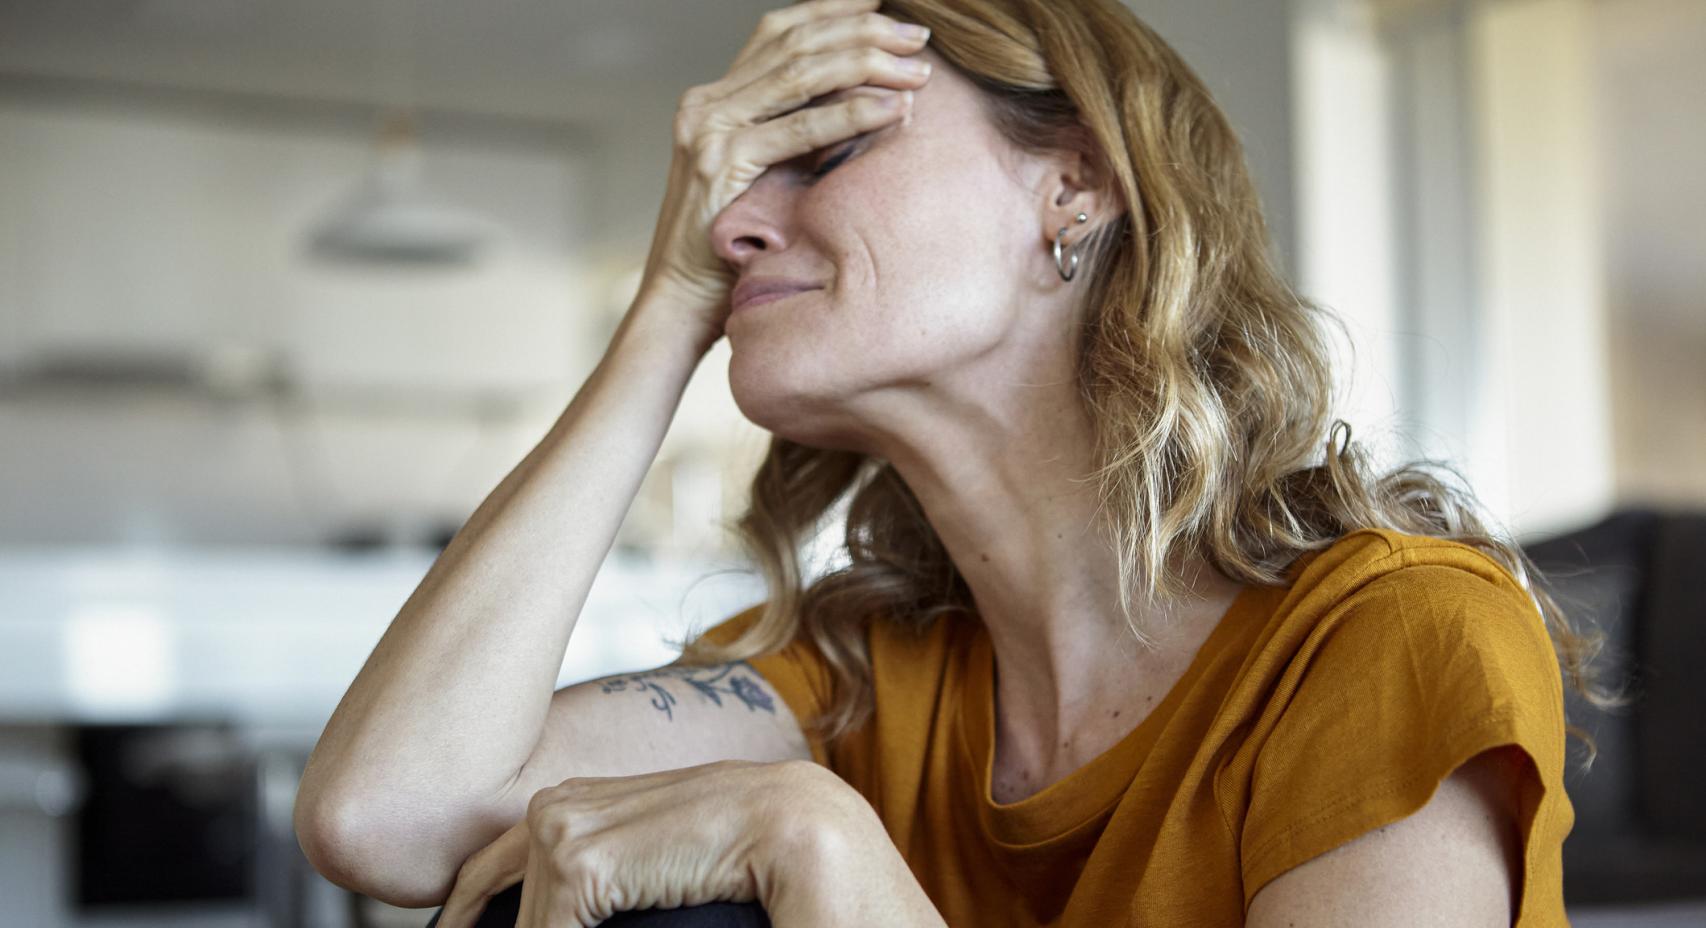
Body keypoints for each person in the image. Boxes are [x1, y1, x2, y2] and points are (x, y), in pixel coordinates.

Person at [292, 0, 1630, 925]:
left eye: (822, 149)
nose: (733, 222)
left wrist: (817, 849)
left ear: (1073, 189)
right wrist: (662, 316)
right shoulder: (867, 684)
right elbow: (389, 816)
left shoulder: (1385, 639)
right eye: (732, 187)